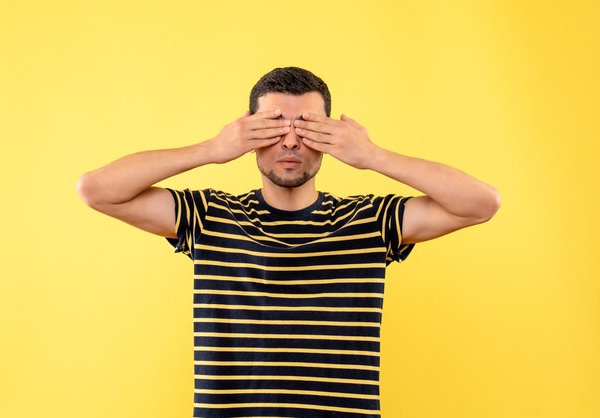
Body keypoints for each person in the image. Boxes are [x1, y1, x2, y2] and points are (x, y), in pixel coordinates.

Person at [77, 67, 500, 417]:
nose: (292, 141)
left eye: (309, 128)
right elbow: (97, 189)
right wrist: (212, 147)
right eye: (274, 126)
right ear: (249, 130)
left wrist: (373, 157)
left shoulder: (369, 220)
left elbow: (481, 203)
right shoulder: (211, 217)